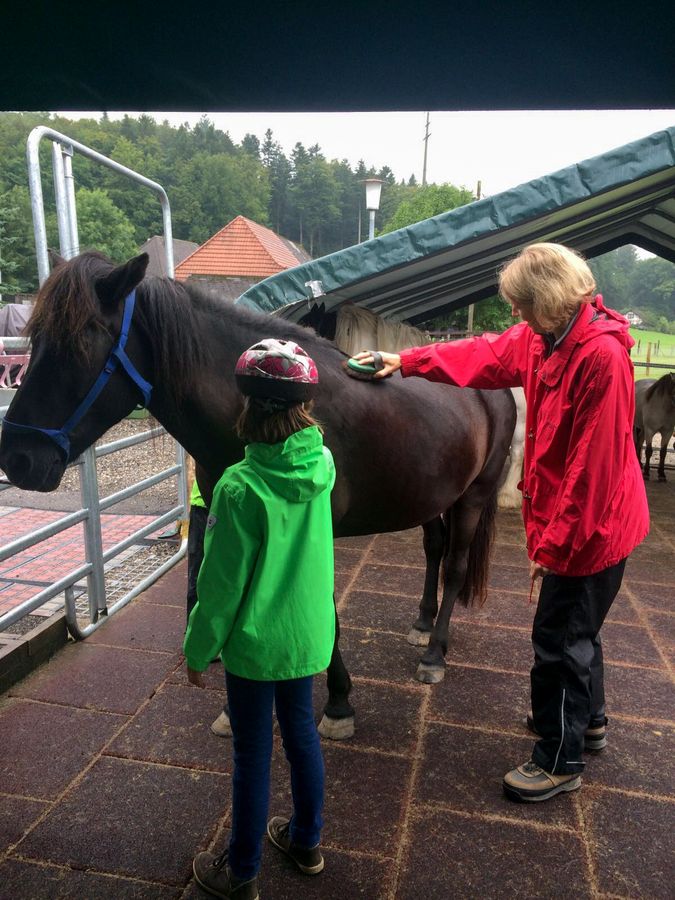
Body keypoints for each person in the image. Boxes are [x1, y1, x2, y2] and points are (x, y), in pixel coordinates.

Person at [355, 242, 649, 803]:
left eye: (522, 303)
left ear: (550, 300)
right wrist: (406, 361)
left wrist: (552, 550)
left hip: (592, 528)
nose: (515, 312)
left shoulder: (600, 359)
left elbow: (591, 472)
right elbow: (483, 353)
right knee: (581, 629)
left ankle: (558, 759)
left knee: (558, 639)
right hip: (587, 519)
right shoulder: (546, 338)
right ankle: (588, 722)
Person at [184, 337, 336, 899]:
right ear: (305, 407)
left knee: (251, 754)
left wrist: (198, 649)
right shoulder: (322, 464)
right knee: (302, 736)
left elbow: (219, 586)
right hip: (305, 637)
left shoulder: (238, 487)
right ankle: (306, 841)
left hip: (254, 647)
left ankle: (242, 871)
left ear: (246, 405)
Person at [186, 475, 232, 737]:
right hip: (204, 502)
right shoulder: (323, 467)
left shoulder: (233, 485)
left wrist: (196, 652)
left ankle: (201, 642)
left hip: (210, 503)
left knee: (202, 578)